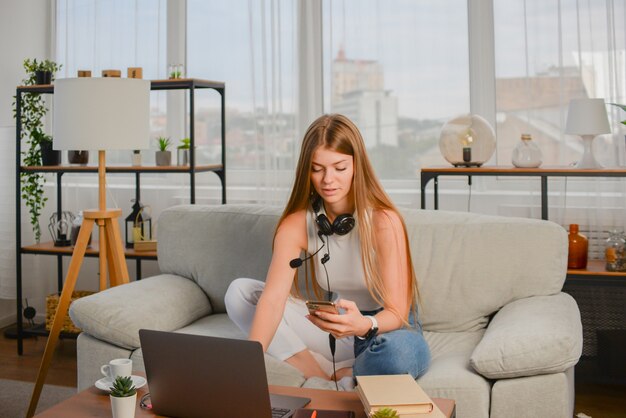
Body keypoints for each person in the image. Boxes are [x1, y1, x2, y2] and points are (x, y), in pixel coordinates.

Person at [225, 114, 430, 388]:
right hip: (338, 327)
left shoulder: (384, 221)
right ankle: (318, 374)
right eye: (317, 168)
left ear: (357, 166)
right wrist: (245, 365)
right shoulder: (296, 225)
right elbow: (273, 301)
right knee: (239, 293)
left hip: (384, 328)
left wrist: (364, 325)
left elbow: (396, 312)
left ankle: (352, 372)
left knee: (396, 355)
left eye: (339, 167)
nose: (328, 180)